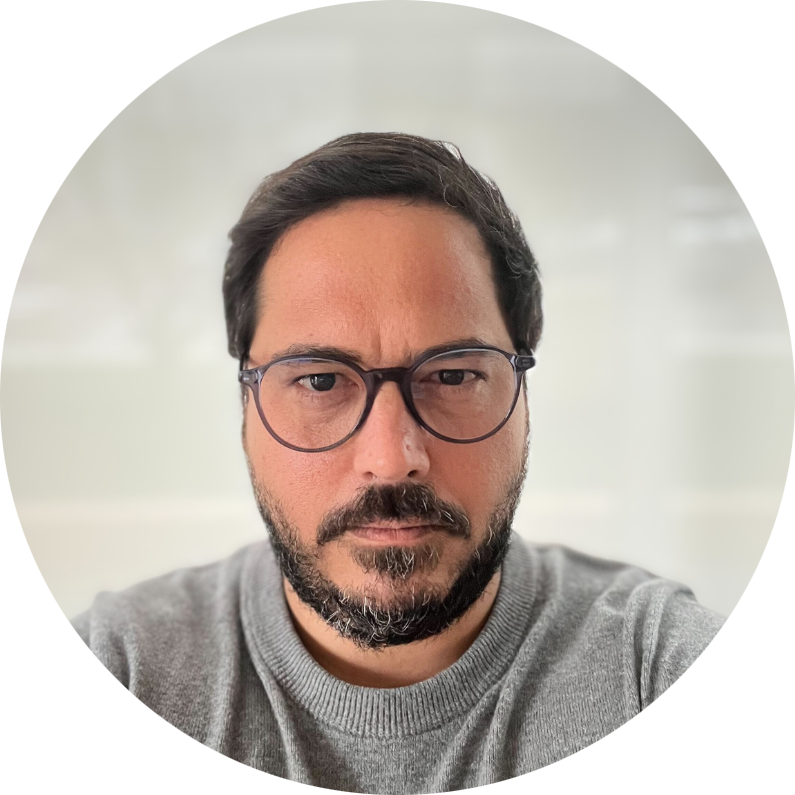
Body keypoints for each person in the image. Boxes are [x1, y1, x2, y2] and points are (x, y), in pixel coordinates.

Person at [72, 133, 724, 788]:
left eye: (453, 376)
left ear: (524, 395)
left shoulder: (650, 666)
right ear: (246, 407)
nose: (391, 460)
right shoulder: (127, 665)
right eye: (320, 381)